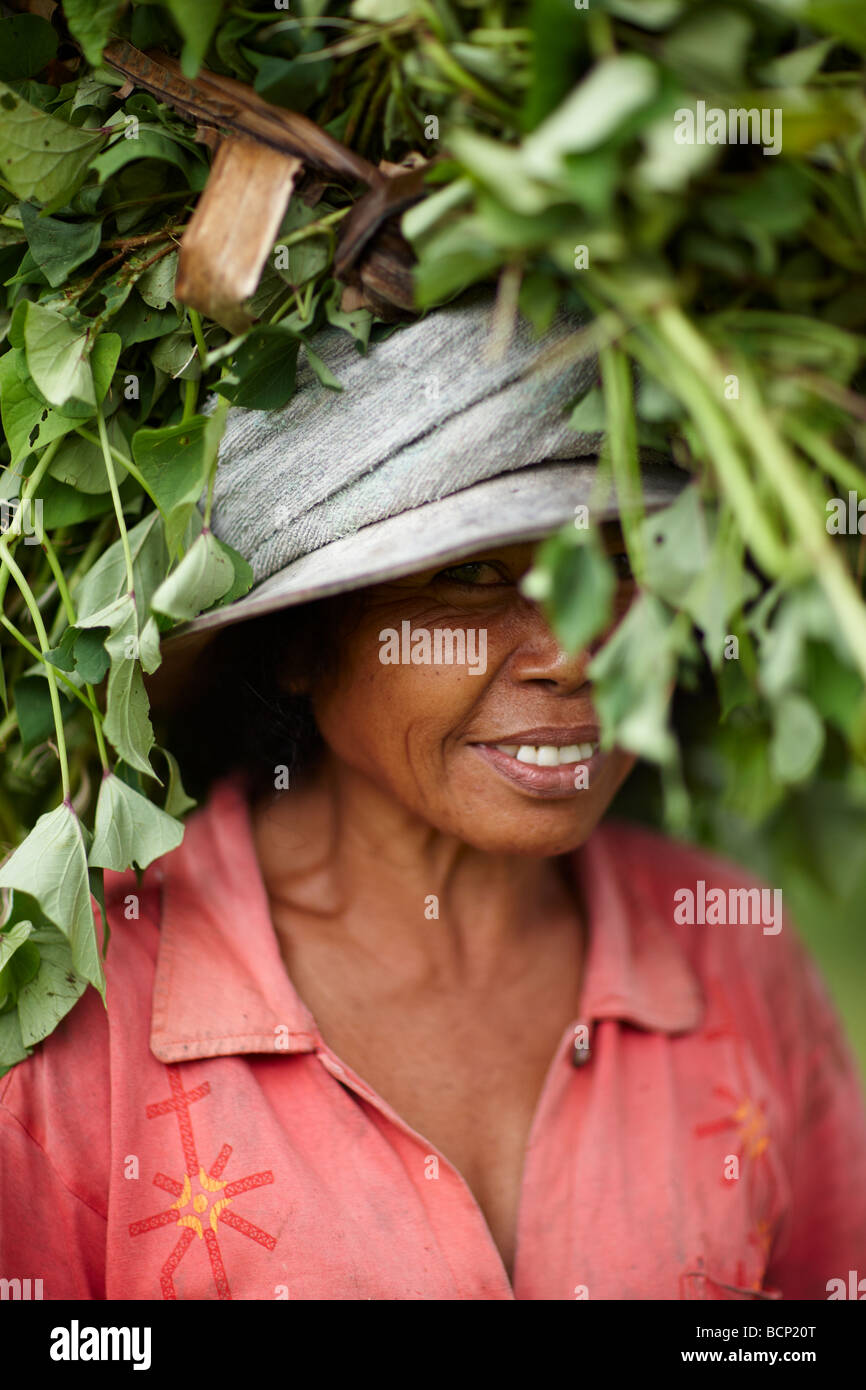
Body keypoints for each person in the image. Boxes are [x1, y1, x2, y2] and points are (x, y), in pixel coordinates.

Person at [1, 285, 864, 1301]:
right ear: (298, 644)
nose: (575, 656)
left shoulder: (727, 951)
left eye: (624, 562)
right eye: (474, 577)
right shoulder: (81, 1010)